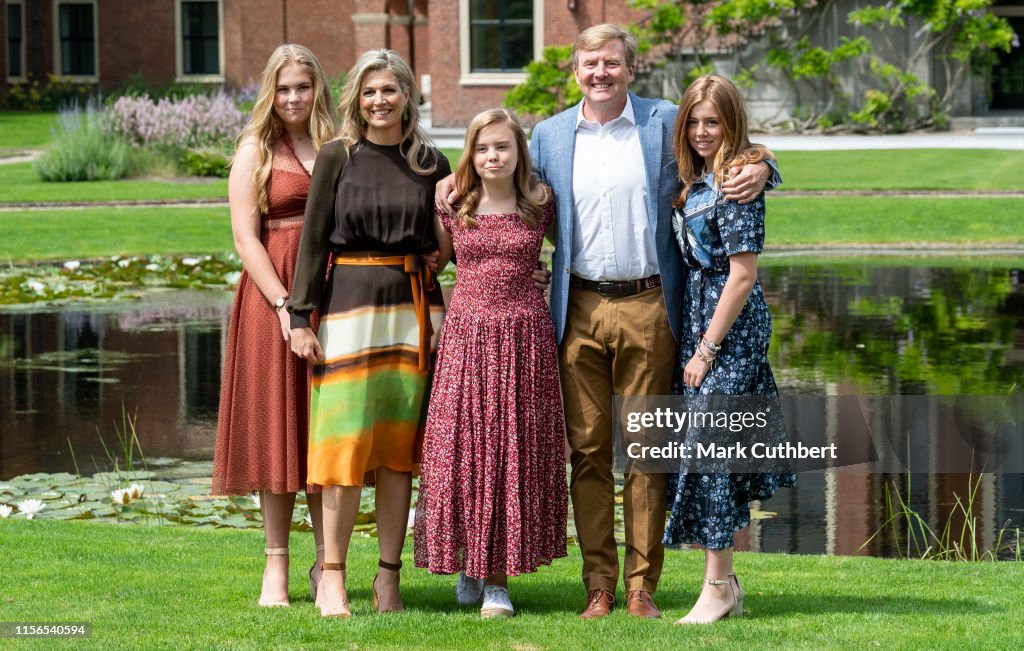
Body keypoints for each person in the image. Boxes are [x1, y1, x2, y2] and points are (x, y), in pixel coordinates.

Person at [524, 25, 777, 620]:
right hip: (578, 305)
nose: (600, 73)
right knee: (587, 451)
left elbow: (725, 140)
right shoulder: (549, 135)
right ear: (576, 69)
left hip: (649, 305)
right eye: (590, 63)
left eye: (611, 62)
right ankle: (598, 586)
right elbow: (508, 189)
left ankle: (641, 587)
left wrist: (765, 162)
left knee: (647, 448)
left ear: (631, 69)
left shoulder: (664, 121)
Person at [286, 49, 449, 619]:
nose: (380, 101)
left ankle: (388, 579)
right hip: (347, 308)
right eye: (370, 91)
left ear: (409, 95)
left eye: (390, 90)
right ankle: (331, 574)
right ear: (357, 96)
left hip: (413, 311)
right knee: (343, 448)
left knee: (399, 455)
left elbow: (452, 237)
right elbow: (312, 239)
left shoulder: (431, 161)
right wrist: (298, 315)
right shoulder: (337, 156)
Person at [413, 109, 568, 619]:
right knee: (461, 448)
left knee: (512, 450)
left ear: (520, 151)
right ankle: (470, 558)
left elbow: (571, 259)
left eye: (502, 147)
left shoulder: (542, 203)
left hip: (525, 338)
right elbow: (436, 263)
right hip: (467, 336)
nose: (492, 156)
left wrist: (540, 275)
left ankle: (498, 581)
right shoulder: (455, 202)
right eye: (482, 148)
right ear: (471, 154)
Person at [665, 74, 796, 625]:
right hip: (700, 321)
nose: (700, 132)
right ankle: (727, 583)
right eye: (693, 122)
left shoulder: (741, 181)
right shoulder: (699, 180)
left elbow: (742, 276)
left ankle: (717, 586)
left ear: (732, 123)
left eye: (712, 122)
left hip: (729, 331)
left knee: (712, 452)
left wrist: (706, 351)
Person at [212, 43, 337, 608]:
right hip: (274, 300)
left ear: (318, 90)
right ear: (271, 91)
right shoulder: (255, 150)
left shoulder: (339, 145)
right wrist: (288, 307)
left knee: (324, 433)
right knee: (278, 430)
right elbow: (246, 240)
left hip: (337, 293)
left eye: (303, 87)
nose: (293, 98)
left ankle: (325, 565)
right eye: (284, 88)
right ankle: (276, 567)